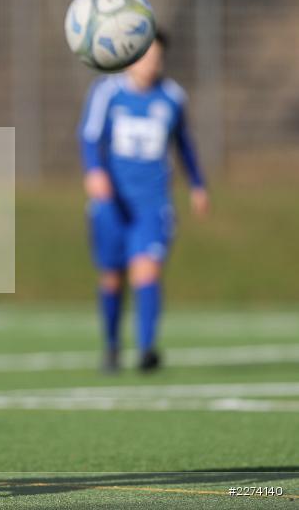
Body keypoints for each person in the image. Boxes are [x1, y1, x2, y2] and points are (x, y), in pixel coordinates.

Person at [79, 31, 208, 373]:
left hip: (152, 203)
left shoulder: (172, 97)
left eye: (156, 57)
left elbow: (184, 144)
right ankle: (111, 346)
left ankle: (147, 349)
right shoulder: (107, 91)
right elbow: (90, 137)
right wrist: (95, 172)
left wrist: (197, 184)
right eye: (143, 56)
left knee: (146, 271)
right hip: (111, 203)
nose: (150, 63)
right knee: (112, 277)